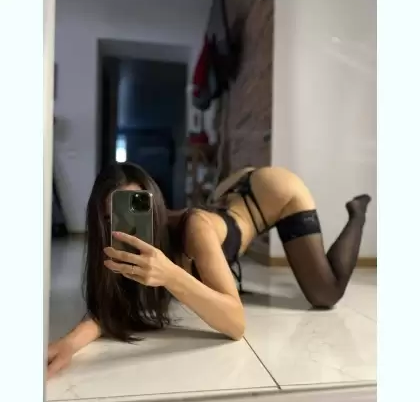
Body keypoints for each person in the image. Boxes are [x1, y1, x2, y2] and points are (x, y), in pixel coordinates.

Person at [47, 162, 371, 379]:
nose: (125, 227)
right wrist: (69, 344)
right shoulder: (118, 244)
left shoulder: (193, 229)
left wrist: (171, 275)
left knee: (325, 292)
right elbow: (110, 310)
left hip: (273, 194)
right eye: (112, 218)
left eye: (136, 209)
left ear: (153, 205)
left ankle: (357, 213)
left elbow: (236, 324)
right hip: (231, 195)